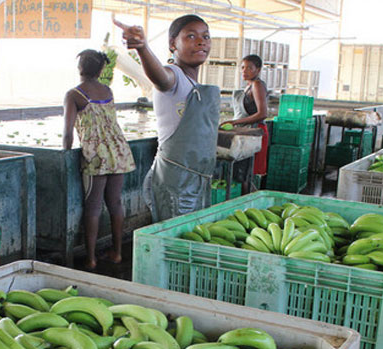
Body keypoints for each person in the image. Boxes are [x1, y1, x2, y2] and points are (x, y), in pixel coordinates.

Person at [115, 15, 220, 222]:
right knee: (175, 240)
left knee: (190, 236)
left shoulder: (193, 85)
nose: (201, 41)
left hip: (197, 179)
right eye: (191, 36)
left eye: (205, 36)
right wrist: (142, 48)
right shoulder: (174, 76)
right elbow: (160, 78)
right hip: (174, 180)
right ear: (173, 44)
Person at [63, 49, 136, 270]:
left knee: (93, 206)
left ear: (79, 68)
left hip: (95, 154)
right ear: (101, 70)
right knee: (115, 203)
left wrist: (65, 154)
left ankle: (91, 258)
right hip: (119, 150)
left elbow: (67, 132)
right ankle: (117, 253)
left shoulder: (74, 94)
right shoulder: (108, 90)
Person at [221, 54, 270, 193]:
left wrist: (236, 122)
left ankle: (252, 202)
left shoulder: (257, 85)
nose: (244, 70)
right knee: (243, 174)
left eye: (249, 68)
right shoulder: (248, 87)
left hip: (255, 132)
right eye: (242, 67)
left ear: (258, 69)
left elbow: (262, 113)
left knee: (248, 174)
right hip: (247, 132)